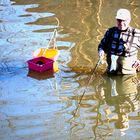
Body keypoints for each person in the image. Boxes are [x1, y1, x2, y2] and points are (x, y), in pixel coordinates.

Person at [98, 8, 140, 74]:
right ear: (116, 20)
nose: (121, 23)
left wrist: (139, 61)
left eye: (124, 20)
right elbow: (102, 45)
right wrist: (101, 51)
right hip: (111, 72)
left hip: (129, 74)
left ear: (129, 20)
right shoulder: (110, 31)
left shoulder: (137, 34)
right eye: (119, 20)